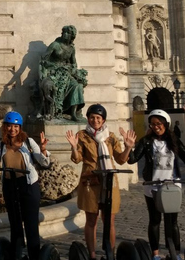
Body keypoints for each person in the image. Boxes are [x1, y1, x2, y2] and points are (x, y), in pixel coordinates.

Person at [127, 109, 185, 260]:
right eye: (153, 124)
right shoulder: (146, 141)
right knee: (155, 220)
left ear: (166, 124)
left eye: (159, 123)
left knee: (172, 222)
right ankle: (155, 254)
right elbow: (132, 159)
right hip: (152, 186)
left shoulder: (173, 140)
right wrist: (129, 146)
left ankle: (175, 252)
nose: (156, 126)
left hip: (172, 186)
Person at [65, 103, 134, 260]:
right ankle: (92, 254)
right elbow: (77, 159)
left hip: (109, 183)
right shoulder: (82, 136)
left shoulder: (111, 137)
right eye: (92, 117)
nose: (95, 120)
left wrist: (128, 148)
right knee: (91, 220)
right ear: (88, 119)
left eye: (98, 118)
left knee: (109, 220)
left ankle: (111, 253)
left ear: (103, 120)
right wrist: (74, 147)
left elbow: (121, 160)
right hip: (91, 183)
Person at [0, 112, 50, 260]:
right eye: (9, 126)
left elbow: (43, 162)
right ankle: (16, 255)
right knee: (15, 224)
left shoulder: (28, 142)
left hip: (28, 185)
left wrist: (43, 149)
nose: (12, 129)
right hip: (10, 185)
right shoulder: (1, 145)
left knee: (31, 224)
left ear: (20, 127)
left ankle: (34, 255)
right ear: (5, 127)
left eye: (15, 126)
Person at [38, 25, 88, 121]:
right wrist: (52, 67)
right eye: (64, 32)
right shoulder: (55, 45)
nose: (64, 34)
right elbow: (43, 60)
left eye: (67, 33)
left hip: (66, 74)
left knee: (77, 86)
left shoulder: (71, 49)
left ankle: (73, 113)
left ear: (72, 36)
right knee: (51, 86)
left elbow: (73, 63)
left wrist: (72, 69)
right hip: (52, 73)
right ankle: (52, 111)